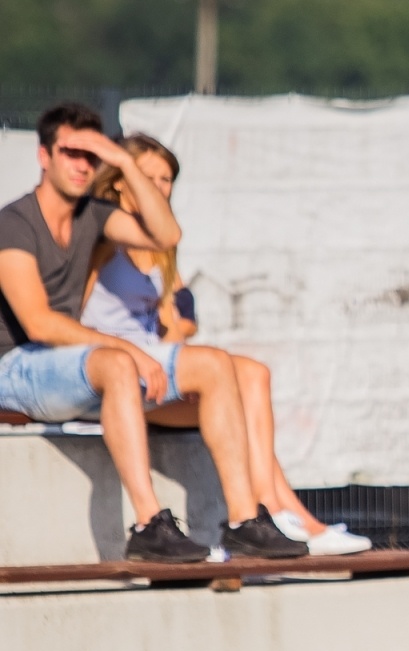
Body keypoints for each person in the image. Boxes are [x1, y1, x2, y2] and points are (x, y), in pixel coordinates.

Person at [0, 101, 304, 562]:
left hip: (72, 368)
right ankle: (148, 524)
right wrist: (130, 349)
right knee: (119, 362)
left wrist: (123, 159)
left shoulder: (95, 215)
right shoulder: (13, 224)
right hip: (17, 367)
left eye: (91, 154)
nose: (82, 165)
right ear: (44, 156)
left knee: (215, 364)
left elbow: (167, 236)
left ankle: (244, 520)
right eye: (70, 152)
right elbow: (37, 323)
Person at [80, 133, 370, 556]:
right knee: (229, 370)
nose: (160, 187)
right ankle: (277, 516)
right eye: (150, 176)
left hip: (155, 372)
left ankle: (280, 512)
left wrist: (176, 332)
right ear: (122, 179)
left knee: (253, 375)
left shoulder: (160, 247)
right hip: (114, 371)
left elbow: (177, 314)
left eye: (167, 179)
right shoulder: (102, 235)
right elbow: (72, 314)